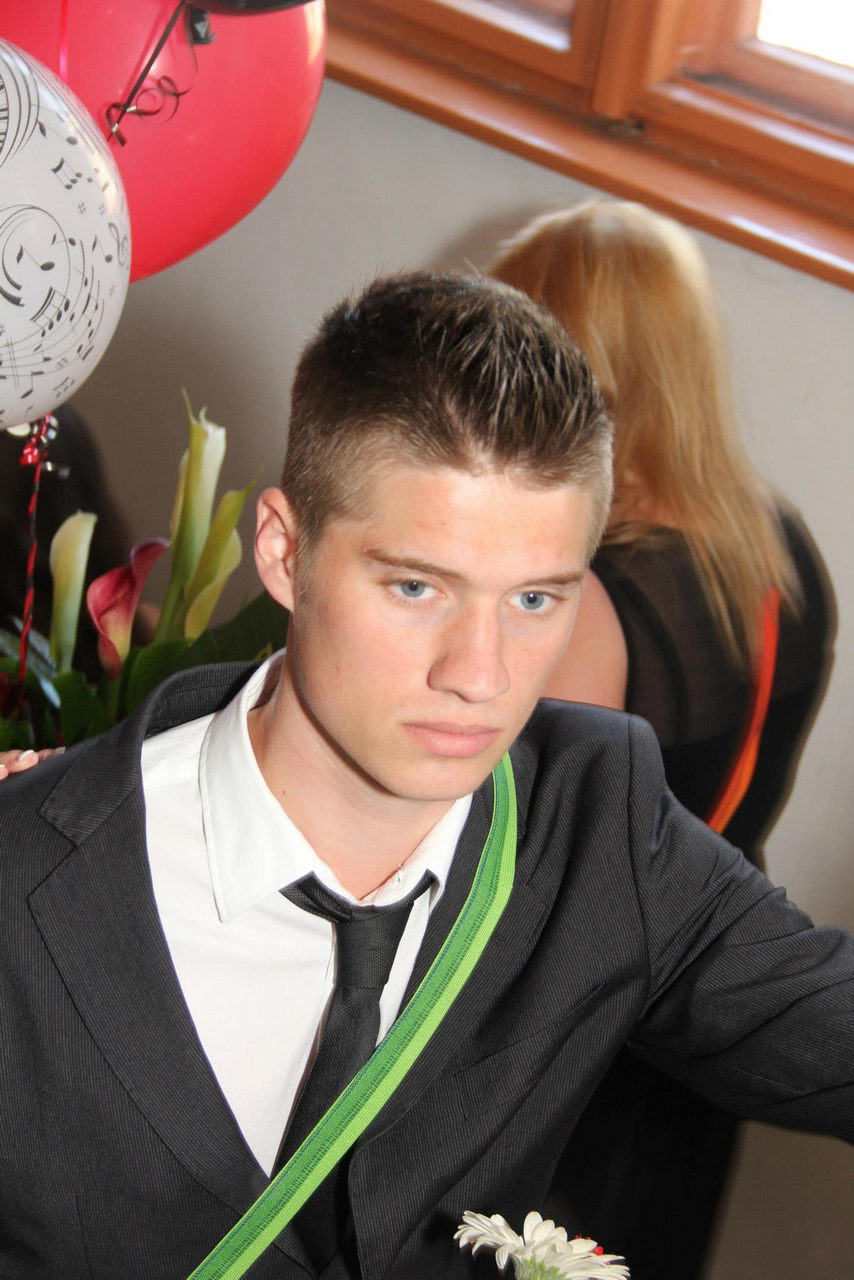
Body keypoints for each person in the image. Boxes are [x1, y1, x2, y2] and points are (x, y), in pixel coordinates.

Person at [0, 272, 850, 1280]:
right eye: (415, 586)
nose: (479, 676)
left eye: (534, 600)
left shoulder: (598, 826)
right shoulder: (28, 876)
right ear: (283, 551)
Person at [490, 201, 836, 1277]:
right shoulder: (778, 541)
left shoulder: (593, 599)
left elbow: (521, 866)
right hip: (707, 998)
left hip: (586, 1037)